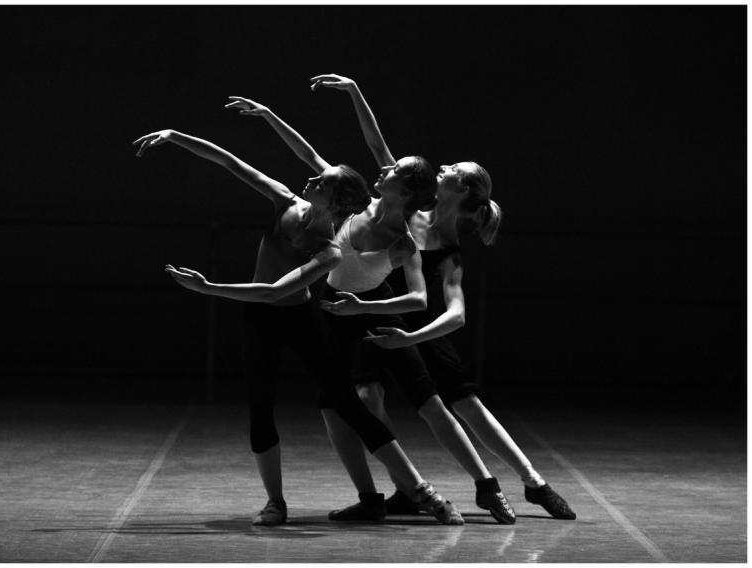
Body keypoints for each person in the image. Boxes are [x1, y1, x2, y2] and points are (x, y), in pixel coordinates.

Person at [133, 107, 460, 527]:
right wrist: (175, 134)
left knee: (345, 402)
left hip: (300, 318)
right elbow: (231, 162)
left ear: (335, 200)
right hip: (259, 320)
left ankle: (421, 491)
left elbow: (276, 291)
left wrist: (208, 288)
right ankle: (275, 502)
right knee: (260, 405)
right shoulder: (285, 199)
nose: (310, 180)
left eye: (320, 183)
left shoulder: (329, 250)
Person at [311, 73, 576, 522]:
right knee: (367, 395)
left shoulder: (450, 252)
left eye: (453, 170)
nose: (444, 167)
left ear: (465, 190)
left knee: (462, 404)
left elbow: (455, 315)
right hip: (382, 316)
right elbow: (378, 148)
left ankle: (532, 483)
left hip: (421, 327)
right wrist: (356, 91)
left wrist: (413, 336)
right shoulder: (410, 211)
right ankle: (403, 488)